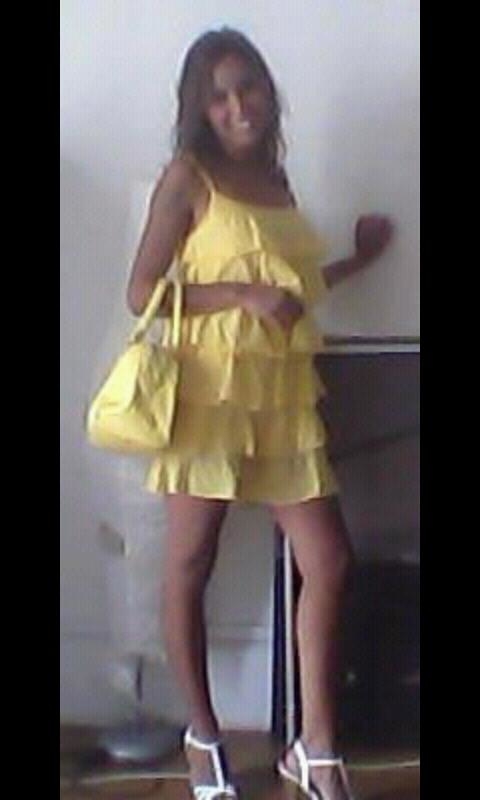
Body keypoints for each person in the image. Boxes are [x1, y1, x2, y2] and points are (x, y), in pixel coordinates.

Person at [126, 27, 393, 800]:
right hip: (208, 389)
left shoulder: (276, 181)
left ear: (267, 93)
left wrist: (358, 261)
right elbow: (142, 294)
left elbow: (289, 293)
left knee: (329, 561)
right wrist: (241, 294)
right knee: (191, 563)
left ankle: (316, 748)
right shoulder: (187, 177)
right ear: (198, 108)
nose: (237, 105)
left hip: (278, 392)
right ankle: (202, 737)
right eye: (218, 96)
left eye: (247, 87)